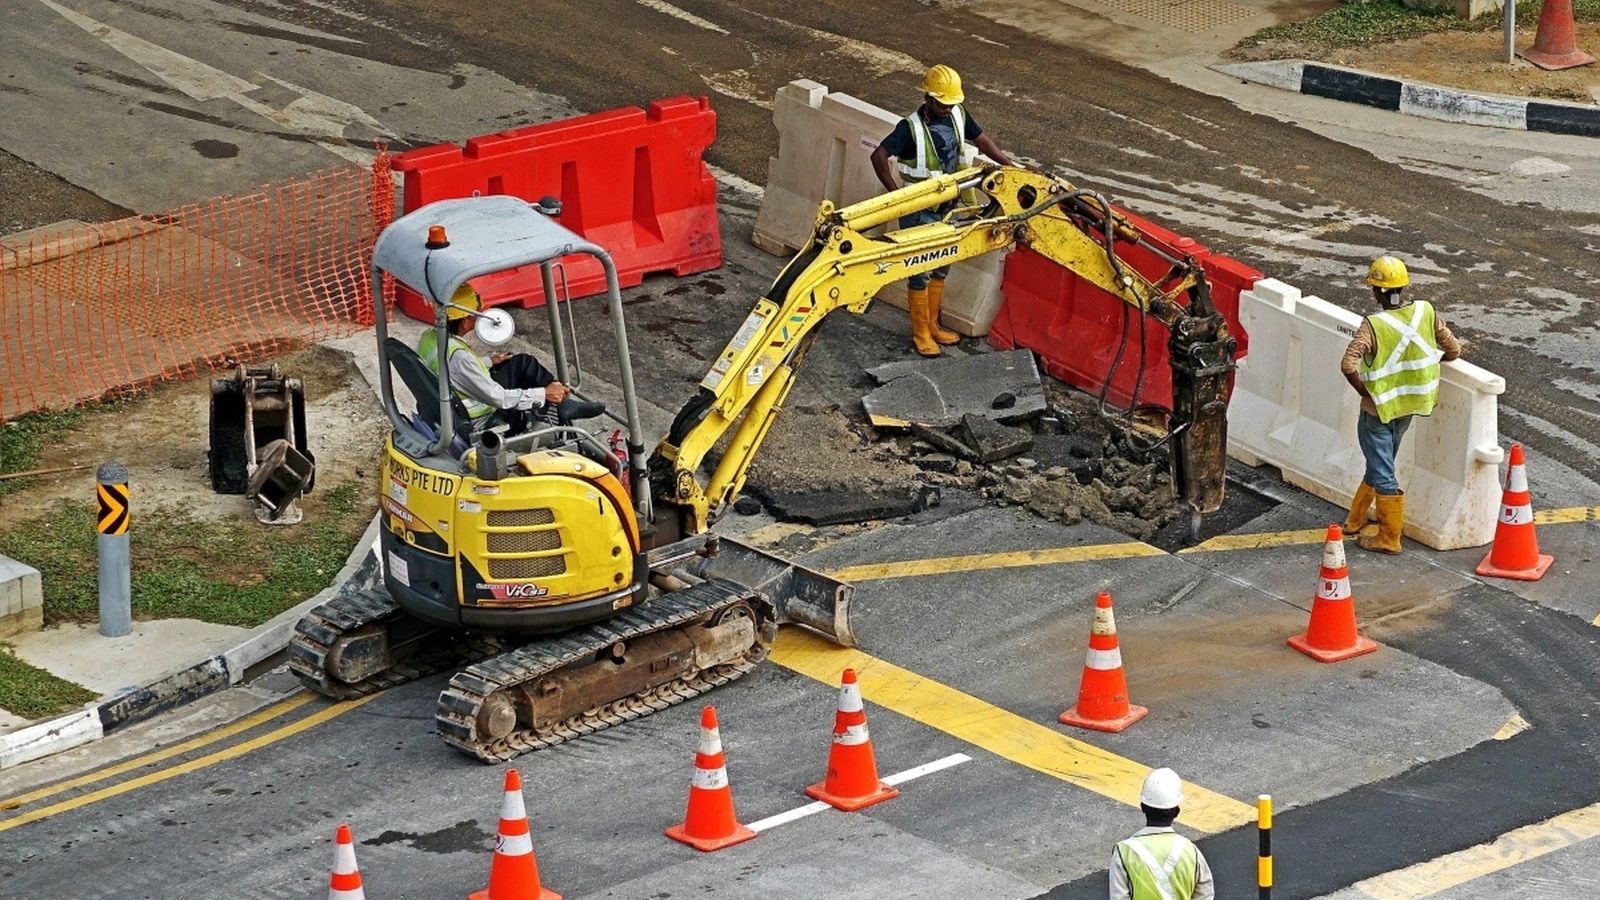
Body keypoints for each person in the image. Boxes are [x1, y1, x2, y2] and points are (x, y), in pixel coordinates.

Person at [869, 64, 1014, 358]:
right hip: (919, 211)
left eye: (952, 104)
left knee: (940, 266)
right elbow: (878, 155)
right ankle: (920, 332)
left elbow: (981, 139)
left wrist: (1007, 164)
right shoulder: (909, 128)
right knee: (920, 271)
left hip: (949, 207)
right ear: (929, 99)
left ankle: (933, 326)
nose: (949, 109)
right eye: (943, 104)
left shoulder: (958, 113)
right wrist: (895, 195)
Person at [1341, 255, 1462, 554]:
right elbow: (1453, 350)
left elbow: (1347, 364)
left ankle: (1389, 537)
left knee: (1382, 469)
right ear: (1404, 287)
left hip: (1378, 411)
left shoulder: (1373, 325)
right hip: (1410, 406)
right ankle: (1355, 519)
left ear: (1376, 291)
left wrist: (1365, 394)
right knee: (1381, 461)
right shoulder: (1425, 312)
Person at [417, 285, 603, 436]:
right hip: (481, 419)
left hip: (453, 396)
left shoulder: (429, 338)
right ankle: (557, 401)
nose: (478, 317)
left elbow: (451, 370)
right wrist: (542, 393)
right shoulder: (460, 357)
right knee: (530, 389)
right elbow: (499, 398)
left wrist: (489, 361)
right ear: (465, 321)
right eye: (476, 313)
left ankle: (561, 402)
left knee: (521, 362)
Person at [1110, 768, 1215, 900]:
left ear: (1143, 807)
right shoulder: (1190, 851)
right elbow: (1204, 894)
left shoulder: (1124, 852)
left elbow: (1119, 897)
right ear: (1177, 812)